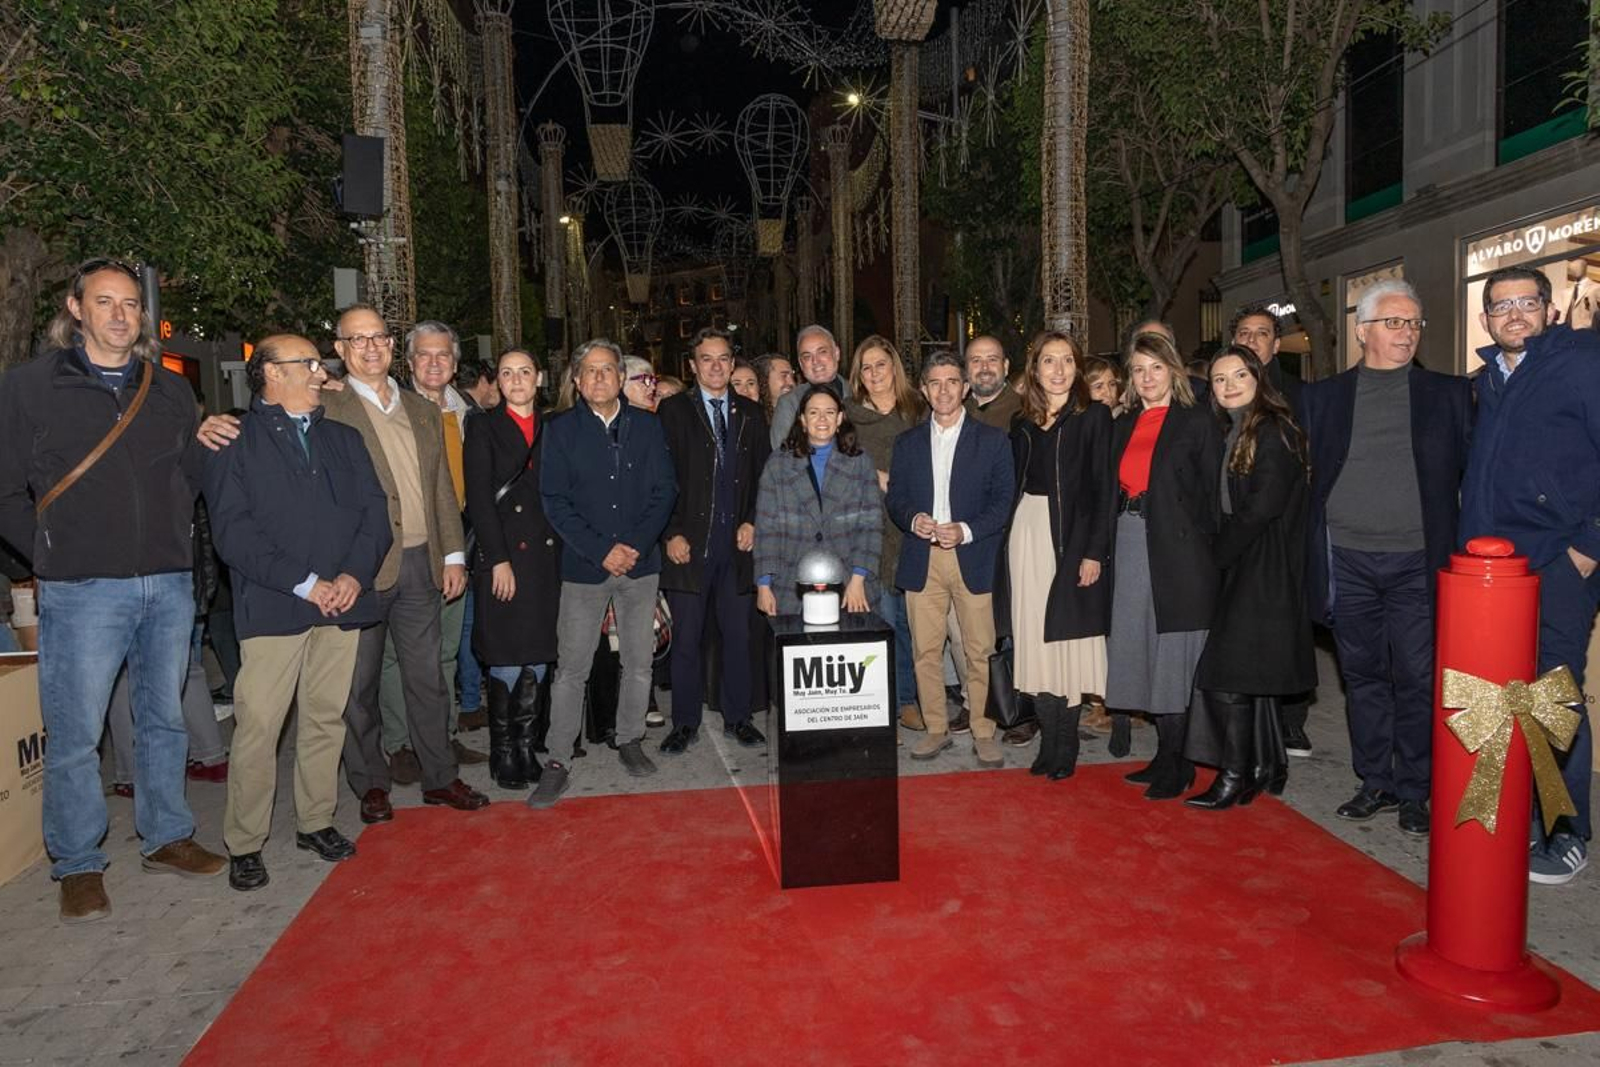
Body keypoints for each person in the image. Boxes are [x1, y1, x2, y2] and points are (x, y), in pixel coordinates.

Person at [0, 258, 227, 922]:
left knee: (163, 718)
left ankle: (168, 835)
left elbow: (186, 478)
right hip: (81, 586)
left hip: (166, 579)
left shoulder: (170, 389)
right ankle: (77, 862)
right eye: (105, 302)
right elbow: (6, 487)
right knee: (75, 732)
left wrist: (208, 443)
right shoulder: (29, 387)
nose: (121, 315)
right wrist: (47, 551)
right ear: (75, 308)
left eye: (130, 304)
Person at [204, 334, 392, 890]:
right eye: (307, 363)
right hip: (273, 608)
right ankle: (244, 841)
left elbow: (375, 513)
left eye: (318, 362)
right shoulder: (234, 441)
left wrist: (353, 576)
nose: (320, 372)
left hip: (341, 602)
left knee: (324, 718)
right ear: (269, 374)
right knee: (259, 726)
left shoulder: (344, 438)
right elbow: (233, 532)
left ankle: (315, 820)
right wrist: (307, 584)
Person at [1299, 279, 1470, 838]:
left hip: (1416, 561)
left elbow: (1472, 476)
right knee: (1363, 675)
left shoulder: (1447, 394)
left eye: (1414, 323)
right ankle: (1376, 781)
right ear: (1363, 330)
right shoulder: (1323, 397)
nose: (1407, 332)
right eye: (1395, 322)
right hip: (1347, 559)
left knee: (1418, 677)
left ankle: (1417, 789)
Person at [317, 305, 488, 821]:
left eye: (379, 338)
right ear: (341, 350)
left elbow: (440, 488)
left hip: (420, 563)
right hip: (358, 569)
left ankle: (440, 777)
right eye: (358, 340)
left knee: (428, 679)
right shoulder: (327, 406)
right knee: (359, 686)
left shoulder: (420, 408)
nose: (371, 348)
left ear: (392, 346)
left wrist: (453, 555)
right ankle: (371, 782)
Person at [1460, 265, 1600, 884]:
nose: (1513, 314)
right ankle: (1515, 814)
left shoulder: (1580, 362)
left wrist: (1588, 546)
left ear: (1549, 309)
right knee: (1501, 697)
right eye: (1500, 306)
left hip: (1558, 562)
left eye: (1526, 302)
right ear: (1485, 318)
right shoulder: (1489, 379)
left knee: (1553, 696)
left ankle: (1566, 831)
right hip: (1492, 572)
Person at [532, 340, 676, 808]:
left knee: (638, 662)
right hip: (584, 567)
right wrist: (601, 551)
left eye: (607, 370)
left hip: (639, 565)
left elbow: (664, 491)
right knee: (572, 667)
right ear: (576, 382)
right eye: (589, 372)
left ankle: (630, 739)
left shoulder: (649, 427)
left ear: (620, 377)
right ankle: (557, 759)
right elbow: (555, 500)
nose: (598, 379)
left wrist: (632, 547)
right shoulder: (560, 430)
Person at [1184, 346, 1314, 810]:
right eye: (1219, 380)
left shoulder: (1273, 430)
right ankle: (1263, 765)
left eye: (1239, 374)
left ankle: (1234, 775)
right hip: (1249, 562)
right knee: (1247, 677)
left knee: (1224, 676)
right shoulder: (1239, 428)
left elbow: (1261, 508)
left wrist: (1217, 554)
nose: (1229, 385)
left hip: (1262, 567)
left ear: (1259, 377)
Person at [1107, 332, 1224, 801]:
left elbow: (1213, 499)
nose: (1147, 377)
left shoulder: (1197, 421)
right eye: (1138, 369)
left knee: (1174, 657)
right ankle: (1161, 754)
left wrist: (1209, 559)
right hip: (1131, 541)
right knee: (1141, 651)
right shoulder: (1125, 423)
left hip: (1180, 554)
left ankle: (1179, 763)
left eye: (1156, 367)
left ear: (1173, 370)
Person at [887, 352, 1015, 768]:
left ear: (965, 387)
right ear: (923, 390)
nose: (943, 390)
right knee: (925, 650)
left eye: (951, 382)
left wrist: (966, 530)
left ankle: (983, 730)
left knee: (979, 650)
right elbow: (896, 498)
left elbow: (1003, 502)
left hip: (972, 556)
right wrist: (913, 519)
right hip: (922, 559)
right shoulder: (906, 444)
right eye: (934, 383)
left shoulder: (993, 441)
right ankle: (936, 728)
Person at [996, 331, 1114, 781]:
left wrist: (1094, 553)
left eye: (1067, 360)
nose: (1059, 369)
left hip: (1072, 536)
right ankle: (1047, 742)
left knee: (1066, 644)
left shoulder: (1093, 417)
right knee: (1034, 643)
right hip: (1027, 532)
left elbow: (1102, 488)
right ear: (1036, 369)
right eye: (1050, 361)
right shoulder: (1021, 423)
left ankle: (1066, 747)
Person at [379, 321, 486, 781]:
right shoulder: (390, 411)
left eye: (443, 354)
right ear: (409, 363)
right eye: (424, 354)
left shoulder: (472, 416)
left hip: (457, 546)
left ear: (456, 363)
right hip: (404, 549)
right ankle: (400, 743)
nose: (435, 362)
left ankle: (439, 736)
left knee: (444, 650)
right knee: (395, 654)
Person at [658, 327, 770, 755]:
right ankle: (684, 722)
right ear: (692, 365)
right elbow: (661, 480)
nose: (717, 366)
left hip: (737, 548)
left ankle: (738, 717)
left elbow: (766, 476)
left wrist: (753, 520)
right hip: (688, 546)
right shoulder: (672, 411)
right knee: (686, 640)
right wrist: (671, 532)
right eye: (707, 359)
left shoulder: (750, 413)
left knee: (737, 637)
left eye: (724, 358)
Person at [463, 348, 563, 791]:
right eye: (507, 373)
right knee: (505, 654)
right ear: (498, 382)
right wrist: (498, 558)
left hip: (545, 559)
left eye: (525, 371)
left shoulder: (554, 428)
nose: (517, 379)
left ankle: (526, 747)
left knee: (538, 652)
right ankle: (502, 751)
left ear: (539, 378)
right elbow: (480, 500)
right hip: (502, 556)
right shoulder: (482, 426)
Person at [1228, 303, 1313, 759]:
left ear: (1276, 345)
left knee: (1286, 625)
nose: (1252, 341)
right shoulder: (1220, 396)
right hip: (1240, 534)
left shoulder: (1298, 397)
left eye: (1261, 334)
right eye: (1244, 333)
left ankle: (1290, 723)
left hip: (1282, 529)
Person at [845, 336, 924, 730]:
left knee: (914, 625)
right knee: (886, 622)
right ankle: (890, 706)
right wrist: (869, 474)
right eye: (866, 367)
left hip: (916, 529)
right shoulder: (851, 417)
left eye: (880, 364)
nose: (874, 374)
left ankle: (910, 700)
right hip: (871, 533)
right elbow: (830, 465)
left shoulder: (919, 411)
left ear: (895, 366)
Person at [754, 384, 882, 617]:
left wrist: (858, 578)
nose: (822, 419)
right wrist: (763, 584)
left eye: (830, 412)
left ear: (840, 418)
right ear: (802, 419)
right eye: (813, 412)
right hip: (791, 584)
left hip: (850, 584)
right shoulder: (778, 464)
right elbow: (766, 528)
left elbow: (871, 526)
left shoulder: (860, 462)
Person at [770, 326, 846, 448]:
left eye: (822, 352)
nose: (815, 361)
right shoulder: (790, 403)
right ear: (801, 364)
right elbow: (782, 456)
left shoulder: (859, 394)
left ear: (836, 353)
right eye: (807, 356)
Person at [963, 334, 1023, 430]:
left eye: (992, 360)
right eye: (976, 360)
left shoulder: (1024, 412)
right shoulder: (952, 409)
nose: (985, 368)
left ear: (1006, 366)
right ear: (966, 369)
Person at [753, 352, 797, 422]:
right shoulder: (752, 419)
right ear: (763, 379)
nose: (792, 383)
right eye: (784, 376)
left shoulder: (800, 416)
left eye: (793, 377)